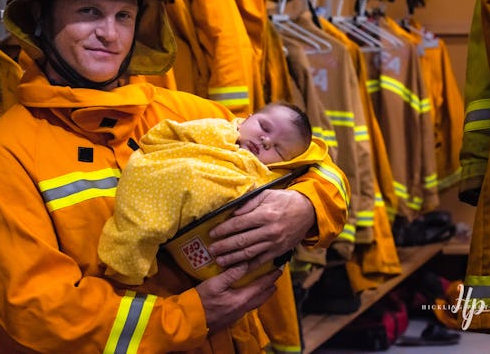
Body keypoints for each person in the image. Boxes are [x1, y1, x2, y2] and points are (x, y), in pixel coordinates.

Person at [0, 0, 349, 353]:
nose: (108, 34)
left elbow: (316, 162)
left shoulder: (183, 113)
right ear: (40, 21)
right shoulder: (7, 157)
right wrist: (193, 315)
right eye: (88, 11)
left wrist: (305, 206)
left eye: (123, 15)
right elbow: (39, 313)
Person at [99, 101, 331, 286]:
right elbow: (169, 136)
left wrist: (305, 204)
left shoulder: (278, 177)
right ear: (247, 118)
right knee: (183, 175)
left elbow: (321, 176)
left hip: (220, 262)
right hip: (172, 201)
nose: (266, 140)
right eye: (264, 127)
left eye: (279, 149)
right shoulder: (217, 127)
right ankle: (128, 255)